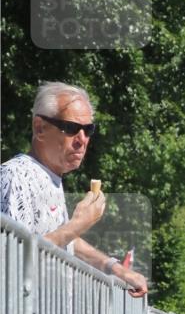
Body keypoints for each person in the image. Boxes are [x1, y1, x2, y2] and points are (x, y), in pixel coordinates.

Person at [0, 81, 147, 297]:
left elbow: (60, 239)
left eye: (88, 130)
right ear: (40, 128)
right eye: (70, 128)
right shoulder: (16, 175)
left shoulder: (51, 177)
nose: (82, 140)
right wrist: (79, 224)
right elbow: (13, 257)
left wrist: (114, 268)